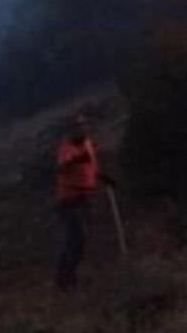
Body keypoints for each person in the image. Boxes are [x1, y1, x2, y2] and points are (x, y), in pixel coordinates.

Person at [54, 109, 114, 291]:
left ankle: (77, 275)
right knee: (76, 239)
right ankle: (65, 280)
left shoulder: (86, 143)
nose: (82, 129)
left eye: (83, 125)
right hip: (70, 200)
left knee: (84, 237)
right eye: (77, 126)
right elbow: (63, 168)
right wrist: (78, 159)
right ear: (70, 130)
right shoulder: (67, 149)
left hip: (85, 196)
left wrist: (102, 177)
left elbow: (89, 168)